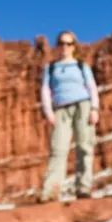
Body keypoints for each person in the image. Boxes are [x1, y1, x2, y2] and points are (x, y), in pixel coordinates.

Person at [39, 29, 100, 201]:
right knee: (58, 149)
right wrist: (48, 111)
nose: (64, 47)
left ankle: (83, 189)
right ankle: (50, 191)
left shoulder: (82, 66)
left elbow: (91, 87)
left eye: (68, 43)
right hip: (60, 110)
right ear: (56, 46)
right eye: (61, 43)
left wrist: (94, 108)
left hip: (83, 106)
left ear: (74, 47)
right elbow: (45, 90)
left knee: (84, 147)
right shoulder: (50, 68)